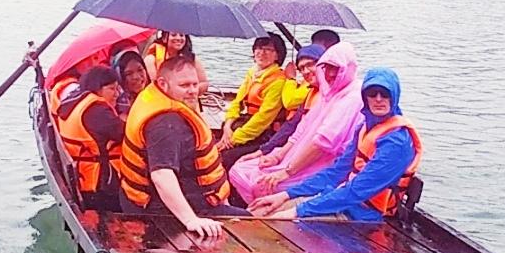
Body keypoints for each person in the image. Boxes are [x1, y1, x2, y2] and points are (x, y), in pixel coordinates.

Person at [250, 68, 421, 221]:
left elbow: (356, 191)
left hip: (363, 215)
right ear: (365, 97)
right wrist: (286, 195)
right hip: (341, 200)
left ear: (395, 96)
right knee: (259, 211)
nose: (378, 99)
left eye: (385, 94)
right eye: (372, 93)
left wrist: (298, 211)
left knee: (272, 220)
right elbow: (336, 172)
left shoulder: (397, 143)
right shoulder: (365, 127)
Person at [117, 55, 247, 241]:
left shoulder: (154, 96)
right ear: (162, 83)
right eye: (184, 86)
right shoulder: (166, 124)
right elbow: (162, 175)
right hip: (163, 211)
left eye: (195, 84)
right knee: (257, 227)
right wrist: (191, 220)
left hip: (154, 197)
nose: (192, 91)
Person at [228, 41, 364, 203]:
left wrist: (286, 171)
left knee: (259, 182)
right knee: (240, 168)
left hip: (322, 164)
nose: (330, 74)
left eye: (335, 68)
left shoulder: (352, 97)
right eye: (326, 68)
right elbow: (298, 128)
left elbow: (322, 143)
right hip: (293, 155)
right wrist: (276, 155)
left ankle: (257, 213)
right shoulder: (327, 93)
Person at [55, 66, 125, 211]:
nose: (117, 94)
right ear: (97, 88)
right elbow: (125, 133)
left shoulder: (75, 101)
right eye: (112, 89)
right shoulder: (96, 111)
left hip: (83, 178)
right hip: (101, 185)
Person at [217, 33, 288, 167]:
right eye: (259, 48)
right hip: (244, 124)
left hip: (263, 133)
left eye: (269, 50)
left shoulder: (278, 81)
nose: (262, 53)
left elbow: (263, 119)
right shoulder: (252, 73)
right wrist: (227, 126)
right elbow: (237, 102)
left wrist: (234, 139)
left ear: (278, 55)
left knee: (225, 157)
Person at [144, 31, 208, 94]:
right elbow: (154, 87)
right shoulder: (150, 60)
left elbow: (204, 83)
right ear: (164, 38)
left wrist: (189, 92)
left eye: (181, 35)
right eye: (173, 35)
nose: (178, 38)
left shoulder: (193, 59)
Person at [113, 49, 149, 118]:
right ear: (120, 78)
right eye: (129, 74)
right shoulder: (119, 112)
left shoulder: (158, 94)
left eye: (140, 70)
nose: (136, 77)